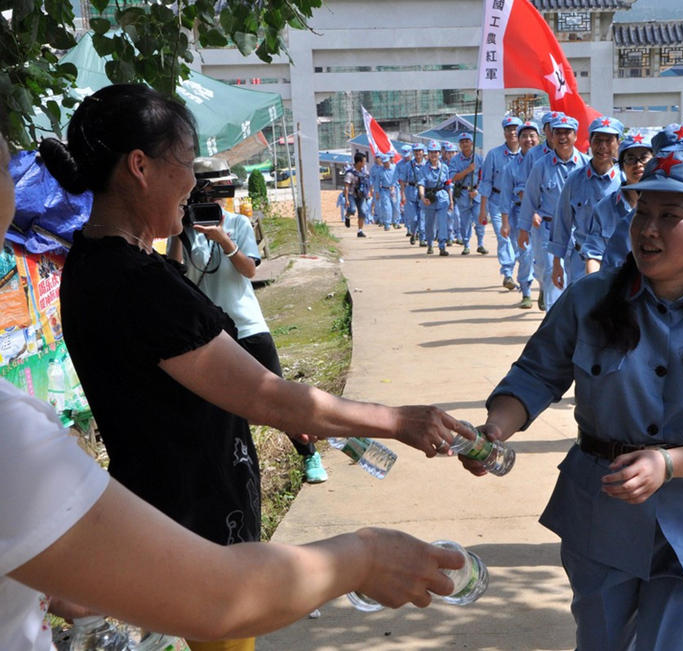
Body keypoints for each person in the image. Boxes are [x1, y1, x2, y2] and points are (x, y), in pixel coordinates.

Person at [38, 84, 471, 650]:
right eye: (187, 164)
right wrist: (398, 421)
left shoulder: (99, 262)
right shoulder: (133, 282)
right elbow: (264, 396)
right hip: (193, 538)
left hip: (166, 515)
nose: (195, 183)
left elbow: (199, 388)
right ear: (139, 166)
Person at [473, 153, 683, 650]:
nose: (648, 229)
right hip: (603, 517)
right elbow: (535, 374)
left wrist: (668, 462)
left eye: (669, 215)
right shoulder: (588, 300)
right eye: (642, 212)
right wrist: (494, 429)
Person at [170, 157, 328, 484]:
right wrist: (177, 230)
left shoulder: (238, 224)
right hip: (211, 337)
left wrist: (224, 241)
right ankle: (232, 472)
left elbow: (250, 270)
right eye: (207, 194)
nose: (214, 202)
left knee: (279, 399)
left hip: (248, 326)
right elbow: (174, 276)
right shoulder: (183, 229)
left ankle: (310, 457)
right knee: (218, 410)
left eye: (220, 193)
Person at [517, 115, 586, 311]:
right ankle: (554, 322)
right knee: (549, 272)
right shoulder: (541, 165)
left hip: (577, 231)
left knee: (577, 276)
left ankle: (571, 320)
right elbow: (530, 197)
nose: (563, 137)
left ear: (575, 136)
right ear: (551, 136)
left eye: (567, 132)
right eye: (558, 132)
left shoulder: (586, 164)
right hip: (548, 228)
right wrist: (523, 228)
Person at [549, 116, 620, 291]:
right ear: (589, 142)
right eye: (598, 140)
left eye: (608, 140)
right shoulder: (575, 180)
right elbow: (562, 222)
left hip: (618, 262)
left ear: (618, 143)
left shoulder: (625, 181)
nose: (602, 146)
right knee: (581, 313)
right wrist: (557, 263)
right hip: (580, 261)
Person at [581, 133, 654, 271]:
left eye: (644, 158)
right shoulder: (605, 208)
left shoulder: (665, 204)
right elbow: (594, 254)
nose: (638, 164)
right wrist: (595, 288)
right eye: (630, 159)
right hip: (617, 284)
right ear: (621, 166)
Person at [498, 120, 540, 308]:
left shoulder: (547, 162)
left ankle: (546, 288)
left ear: (539, 138)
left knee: (544, 254)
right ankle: (526, 291)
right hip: (519, 213)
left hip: (544, 216)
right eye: (524, 136)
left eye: (532, 136)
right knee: (525, 253)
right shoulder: (511, 167)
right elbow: (505, 197)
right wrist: (505, 223)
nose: (528, 140)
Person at [478, 116, 522, 278]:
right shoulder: (494, 155)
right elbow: (486, 182)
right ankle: (508, 273)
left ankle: (518, 270)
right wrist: (483, 210)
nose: (512, 132)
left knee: (518, 240)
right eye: (508, 129)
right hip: (497, 202)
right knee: (503, 237)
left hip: (518, 204)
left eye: (515, 129)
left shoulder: (528, 156)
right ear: (504, 133)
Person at [448, 133, 483, 256]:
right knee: (465, 222)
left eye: (467, 141)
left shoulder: (479, 159)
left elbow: (483, 177)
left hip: (476, 193)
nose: (465, 144)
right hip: (463, 193)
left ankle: (480, 244)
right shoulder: (455, 160)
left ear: (472, 143)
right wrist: (468, 170)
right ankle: (466, 244)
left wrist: (477, 190)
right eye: (462, 142)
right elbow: (453, 177)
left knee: (479, 219)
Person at [418, 141, 454, 256]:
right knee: (429, 223)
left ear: (440, 153)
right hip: (429, 199)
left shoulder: (445, 168)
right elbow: (421, 185)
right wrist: (423, 197)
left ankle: (442, 246)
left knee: (443, 222)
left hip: (442, 197)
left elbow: (448, 185)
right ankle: (429, 243)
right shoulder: (423, 169)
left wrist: (451, 200)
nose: (434, 155)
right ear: (428, 154)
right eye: (431, 152)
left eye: (436, 152)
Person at [400, 143, 426, 246]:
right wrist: (402, 195)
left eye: (420, 150)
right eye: (415, 151)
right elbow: (402, 181)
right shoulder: (408, 165)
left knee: (422, 217)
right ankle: (413, 233)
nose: (418, 153)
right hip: (411, 192)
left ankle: (422, 238)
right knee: (414, 218)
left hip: (423, 194)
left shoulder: (427, 165)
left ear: (423, 152)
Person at [344, 152, 371, 237]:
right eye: (364, 161)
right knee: (352, 209)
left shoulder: (365, 172)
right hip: (352, 194)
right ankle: (347, 216)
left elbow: (367, 183)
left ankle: (360, 231)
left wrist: (368, 193)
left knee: (362, 211)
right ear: (359, 162)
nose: (365, 163)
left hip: (362, 195)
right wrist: (347, 199)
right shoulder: (350, 173)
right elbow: (346, 187)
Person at [373, 153, 398, 231]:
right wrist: (377, 192)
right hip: (384, 190)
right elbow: (377, 182)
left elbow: (398, 178)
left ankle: (395, 221)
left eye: (386, 162)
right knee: (386, 207)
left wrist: (394, 186)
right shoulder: (380, 170)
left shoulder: (394, 168)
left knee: (396, 206)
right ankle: (387, 223)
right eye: (384, 162)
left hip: (394, 189)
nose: (385, 164)